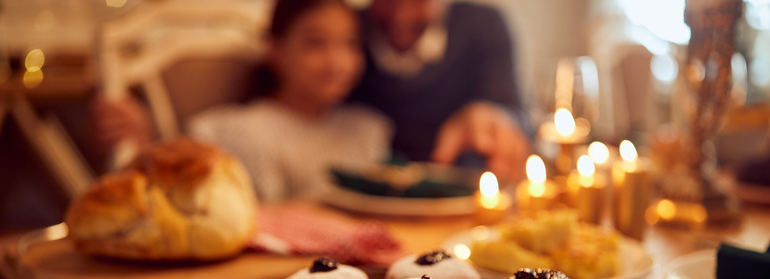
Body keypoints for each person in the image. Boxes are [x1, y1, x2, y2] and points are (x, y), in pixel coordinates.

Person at [97, 0, 391, 202]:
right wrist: (146, 139)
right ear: (274, 48)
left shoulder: (365, 129)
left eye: (350, 44)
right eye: (315, 43)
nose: (337, 61)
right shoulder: (238, 131)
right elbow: (181, 190)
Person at [352, 0, 532, 182]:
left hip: (463, 193)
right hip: (359, 196)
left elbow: (519, 118)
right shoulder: (348, 29)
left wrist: (493, 115)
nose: (401, 14)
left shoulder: (484, 25)